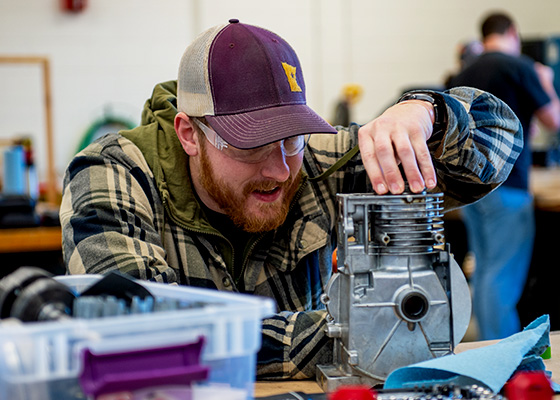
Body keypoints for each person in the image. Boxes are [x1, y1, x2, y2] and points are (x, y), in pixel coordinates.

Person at [60, 19, 522, 379]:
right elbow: (134, 334)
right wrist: (355, 335)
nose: (280, 169)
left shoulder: (318, 160)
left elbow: (498, 147)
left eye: (291, 139)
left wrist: (428, 114)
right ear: (189, 134)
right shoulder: (113, 172)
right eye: (250, 145)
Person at [447, 12, 560, 340]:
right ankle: (506, 356)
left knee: (485, 270)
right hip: (508, 187)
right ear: (512, 32)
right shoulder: (519, 66)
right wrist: (546, 83)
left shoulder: (465, 70)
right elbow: (553, 120)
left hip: (469, 188)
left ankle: (488, 345)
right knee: (502, 277)